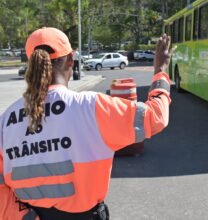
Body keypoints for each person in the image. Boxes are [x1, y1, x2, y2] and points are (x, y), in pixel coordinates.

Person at [0, 27, 173, 219]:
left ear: (31, 64)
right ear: (71, 60)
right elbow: (156, 116)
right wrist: (160, 71)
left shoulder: (5, 121)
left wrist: (25, 217)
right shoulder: (91, 107)